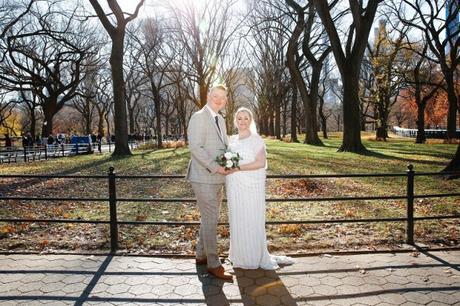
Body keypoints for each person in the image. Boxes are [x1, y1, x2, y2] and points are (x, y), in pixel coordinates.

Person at [226, 107, 294, 270]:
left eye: (246, 118)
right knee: (237, 218)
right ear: (235, 121)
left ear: (251, 121)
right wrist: (227, 166)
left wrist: (238, 168)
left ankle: (254, 256)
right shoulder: (231, 140)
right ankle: (239, 256)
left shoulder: (256, 140)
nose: (242, 121)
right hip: (234, 186)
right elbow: (228, 161)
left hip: (252, 186)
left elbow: (260, 163)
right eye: (239, 118)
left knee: (252, 218)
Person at [186, 84, 233, 281]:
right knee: (212, 219)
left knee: (208, 217)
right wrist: (216, 167)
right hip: (204, 177)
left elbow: (224, 146)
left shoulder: (221, 119)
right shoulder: (198, 117)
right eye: (216, 96)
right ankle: (213, 264)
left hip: (219, 177)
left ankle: (200, 254)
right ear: (208, 97)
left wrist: (230, 162)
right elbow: (195, 148)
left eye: (223, 97)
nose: (219, 100)